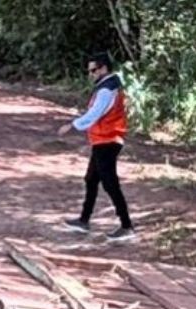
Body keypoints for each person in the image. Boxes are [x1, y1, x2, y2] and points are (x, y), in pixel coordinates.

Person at [59, 51, 136, 242]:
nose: (91, 74)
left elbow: (94, 114)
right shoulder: (109, 85)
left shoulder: (105, 90)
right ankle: (84, 220)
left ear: (104, 68)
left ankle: (126, 226)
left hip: (108, 140)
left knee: (110, 184)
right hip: (103, 140)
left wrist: (72, 125)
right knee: (91, 179)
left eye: (93, 70)